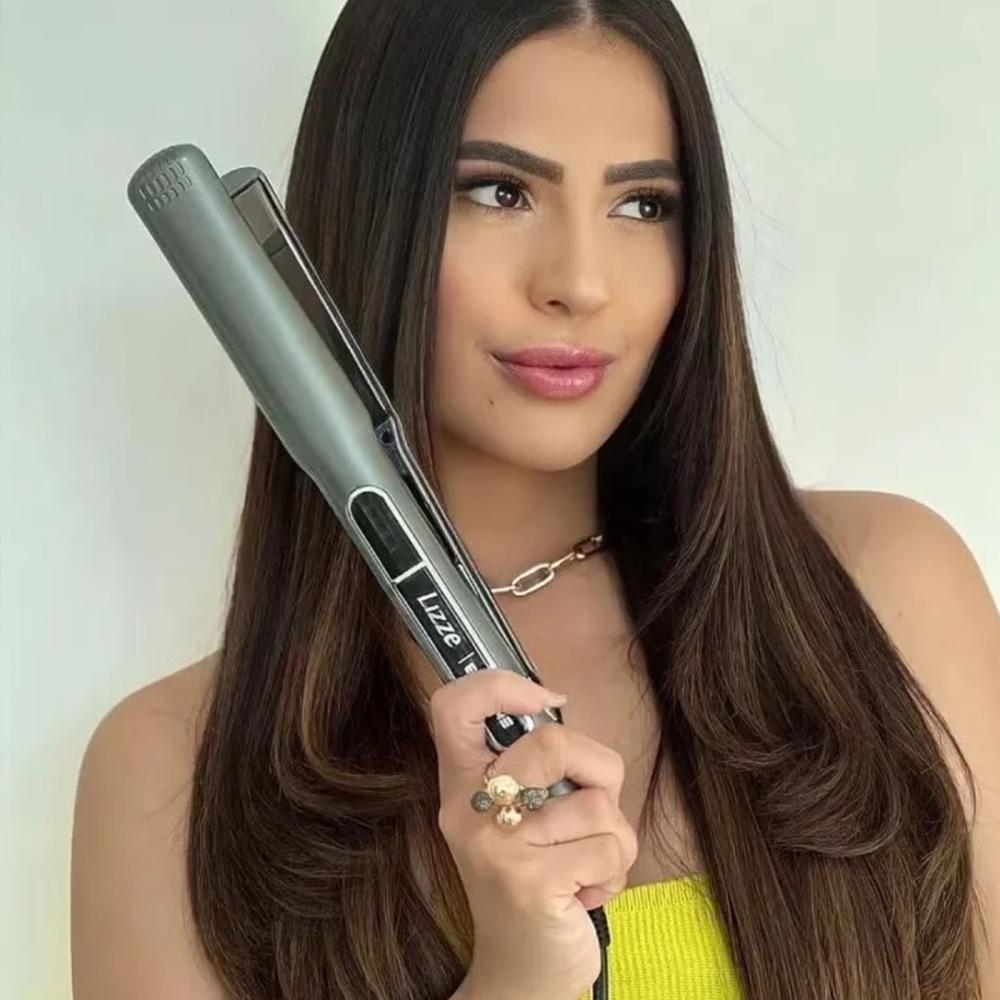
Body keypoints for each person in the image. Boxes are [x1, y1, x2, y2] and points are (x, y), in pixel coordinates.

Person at [71, 2, 1000, 999]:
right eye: (499, 191)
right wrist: (517, 975)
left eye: (643, 205)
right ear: (372, 217)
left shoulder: (885, 592)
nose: (579, 283)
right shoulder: (167, 773)